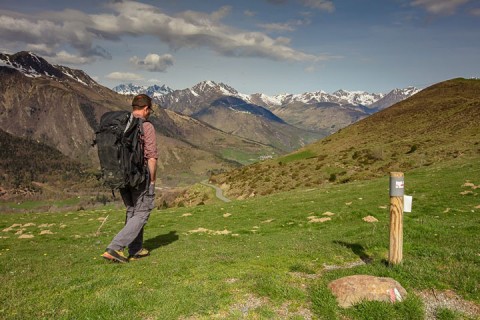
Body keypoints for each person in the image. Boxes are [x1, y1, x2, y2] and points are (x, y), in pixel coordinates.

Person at [102, 94, 158, 263]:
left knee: (132, 211)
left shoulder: (121, 124)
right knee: (142, 213)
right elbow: (151, 157)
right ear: (146, 109)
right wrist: (152, 181)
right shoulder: (146, 127)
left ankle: (135, 248)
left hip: (120, 176)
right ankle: (115, 247)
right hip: (139, 177)